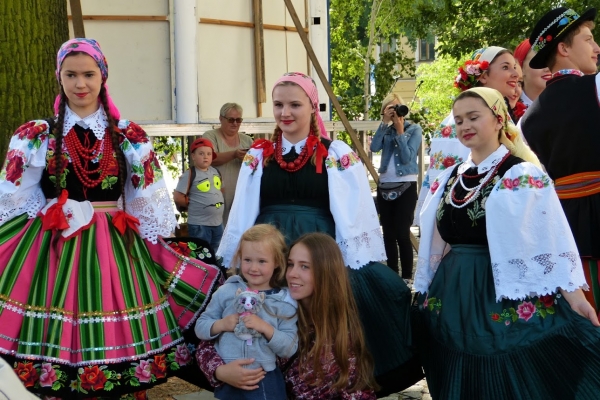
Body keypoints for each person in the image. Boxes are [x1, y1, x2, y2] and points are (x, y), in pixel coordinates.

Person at [0, 38, 222, 399]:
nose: (80, 84)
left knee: (115, 324)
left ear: (103, 76)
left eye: (88, 74)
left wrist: (154, 245)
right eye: (70, 75)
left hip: (113, 248)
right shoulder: (37, 135)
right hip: (55, 244)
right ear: (60, 77)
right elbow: (17, 199)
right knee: (54, 326)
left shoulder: (128, 136)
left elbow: (144, 202)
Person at [217, 72, 422, 396]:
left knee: (321, 324)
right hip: (270, 251)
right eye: (279, 104)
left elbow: (351, 214)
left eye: (294, 104)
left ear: (313, 108)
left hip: (316, 252)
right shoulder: (259, 155)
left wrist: (353, 261)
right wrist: (237, 258)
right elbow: (244, 211)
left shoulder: (334, 153)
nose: (285, 112)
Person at [414, 86, 600, 399]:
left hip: (499, 292)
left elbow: (548, 240)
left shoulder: (521, 174)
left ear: (499, 119)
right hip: (453, 293)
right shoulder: (451, 177)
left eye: (474, 117)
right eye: (459, 120)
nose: (465, 126)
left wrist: (576, 299)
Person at [197, 232, 378, 399]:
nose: (292, 274)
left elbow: (357, 390)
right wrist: (220, 372)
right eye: (291, 264)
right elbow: (206, 345)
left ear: (326, 272)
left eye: (304, 266)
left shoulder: (339, 330)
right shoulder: (267, 302)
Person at [520, 7, 600, 312]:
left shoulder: (526, 119)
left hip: (563, 227)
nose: (597, 48)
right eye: (589, 40)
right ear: (563, 49)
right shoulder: (595, 88)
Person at [414, 46, 519, 225]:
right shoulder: (455, 124)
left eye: (515, 67)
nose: (515, 74)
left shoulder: (500, 114)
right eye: (505, 67)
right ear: (483, 76)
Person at [195, 224, 297, 399]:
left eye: (262, 261)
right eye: (247, 260)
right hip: (228, 378)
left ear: (277, 262)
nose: (253, 268)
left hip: (265, 380)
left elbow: (289, 347)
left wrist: (266, 328)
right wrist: (221, 324)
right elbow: (201, 327)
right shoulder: (226, 291)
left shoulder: (284, 303)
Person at [370, 94, 422, 281]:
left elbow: (408, 157)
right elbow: (374, 147)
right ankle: (393, 276)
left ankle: (407, 278)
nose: (395, 111)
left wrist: (400, 132)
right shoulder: (385, 130)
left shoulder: (414, 129)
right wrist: (384, 123)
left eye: (398, 107)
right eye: (390, 108)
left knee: (402, 232)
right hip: (385, 184)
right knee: (388, 234)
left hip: (406, 184)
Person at [203, 103, 253, 226]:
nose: (235, 123)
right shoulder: (210, 136)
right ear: (221, 118)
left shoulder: (247, 140)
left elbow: (255, 166)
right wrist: (234, 154)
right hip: (215, 195)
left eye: (238, 120)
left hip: (240, 195)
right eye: (231, 119)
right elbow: (209, 158)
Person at [174, 137, 224, 250]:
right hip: (200, 224)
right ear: (193, 156)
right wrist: (191, 205)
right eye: (201, 153)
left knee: (218, 253)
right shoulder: (190, 173)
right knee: (202, 254)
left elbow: (219, 190)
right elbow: (178, 197)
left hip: (218, 223)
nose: (205, 156)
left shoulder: (216, 171)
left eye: (208, 153)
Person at [513, 39, 551, 108]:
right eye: (539, 61)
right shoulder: (508, 107)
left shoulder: (566, 103)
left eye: (551, 60)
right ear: (521, 68)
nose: (547, 68)